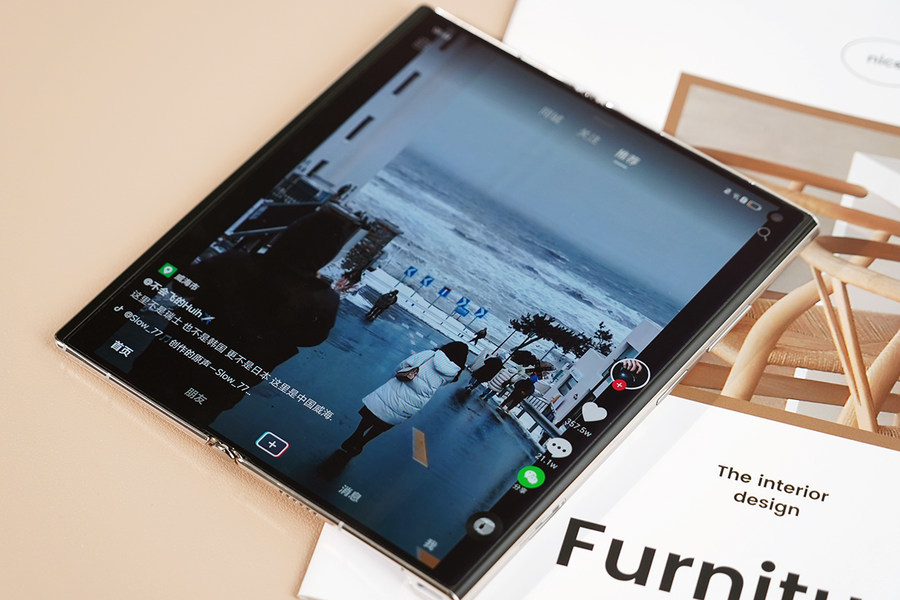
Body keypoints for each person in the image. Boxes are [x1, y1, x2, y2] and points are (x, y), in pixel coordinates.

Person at [341, 341, 469, 456]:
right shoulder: (452, 373)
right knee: (385, 423)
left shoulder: (430, 355)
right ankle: (362, 443)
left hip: (397, 388)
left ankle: (356, 434)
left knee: (373, 413)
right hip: (412, 403)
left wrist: (394, 376)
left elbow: (403, 364)